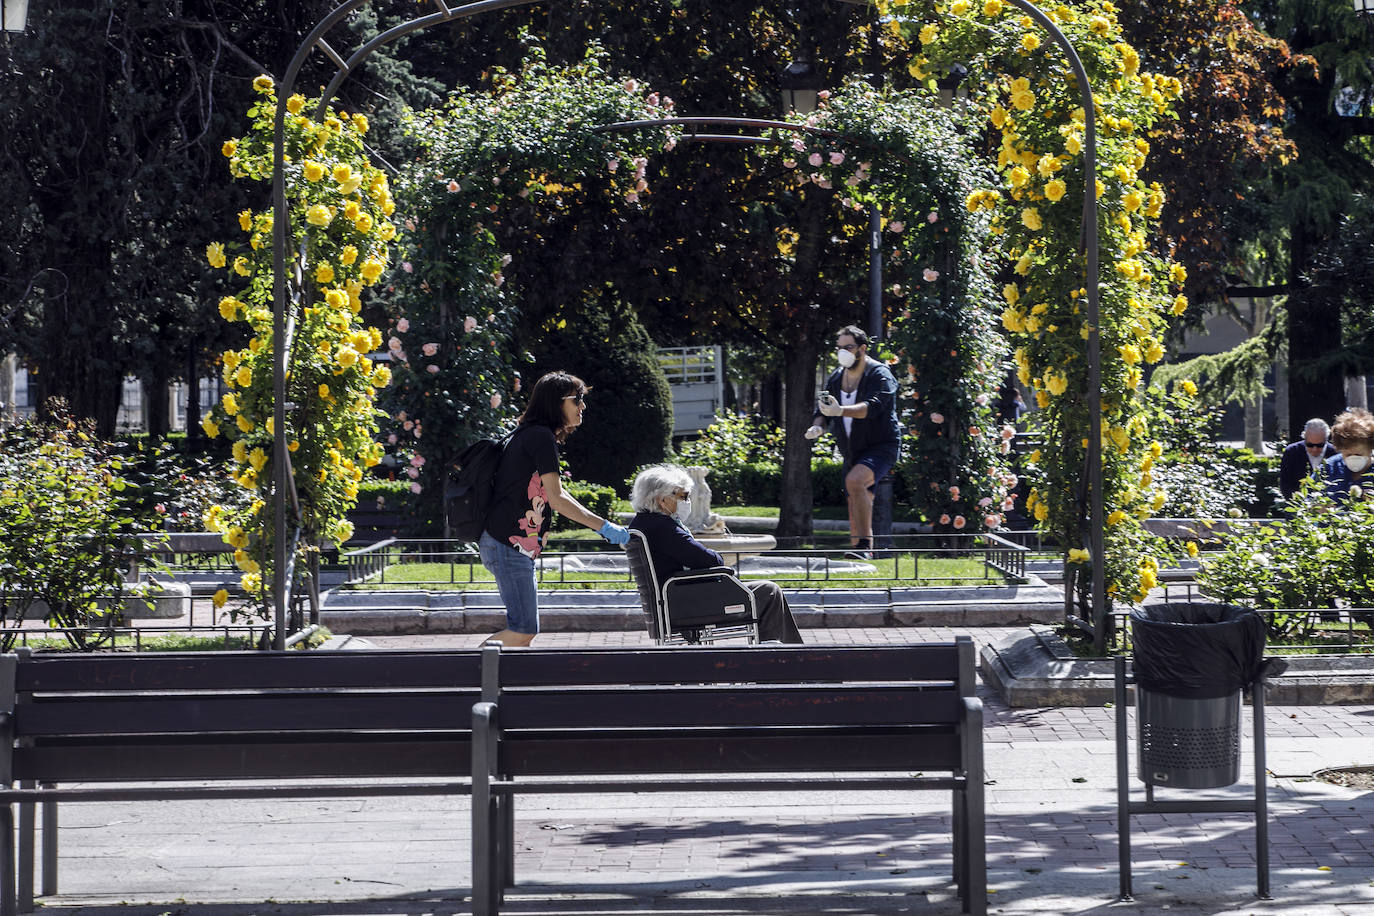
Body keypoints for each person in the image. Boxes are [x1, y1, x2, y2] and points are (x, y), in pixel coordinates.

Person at [479, 371, 630, 646]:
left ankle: (502, 686)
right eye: (577, 399)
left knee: (522, 636)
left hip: (510, 545)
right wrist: (604, 528)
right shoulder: (540, 437)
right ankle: (463, 678)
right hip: (507, 545)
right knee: (523, 629)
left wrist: (604, 526)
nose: (583, 406)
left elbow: (555, 494)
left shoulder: (532, 434)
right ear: (555, 403)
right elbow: (557, 500)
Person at [629, 464, 804, 644]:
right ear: (662, 500)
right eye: (684, 496)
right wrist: (713, 554)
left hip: (674, 601)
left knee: (765, 590)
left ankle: (784, 652)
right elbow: (711, 561)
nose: (687, 501)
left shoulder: (641, 524)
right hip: (689, 604)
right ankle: (784, 655)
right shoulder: (664, 527)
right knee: (769, 591)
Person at [806, 325, 902, 560]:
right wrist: (818, 424)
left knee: (855, 481)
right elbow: (825, 406)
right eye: (839, 348)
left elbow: (873, 407)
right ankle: (858, 554)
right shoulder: (837, 376)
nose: (843, 353)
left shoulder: (880, 374)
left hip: (881, 446)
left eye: (848, 347)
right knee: (856, 496)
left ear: (862, 348)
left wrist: (841, 411)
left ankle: (864, 545)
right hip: (852, 449)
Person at [1279, 418, 1337, 500]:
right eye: (1310, 445)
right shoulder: (1292, 452)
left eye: (1320, 445)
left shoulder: (1335, 454)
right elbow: (1285, 483)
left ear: (1326, 440)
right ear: (1304, 438)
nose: (1315, 449)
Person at [1324, 408, 1374, 500]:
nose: (1353, 459)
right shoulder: (1328, 468)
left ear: (1370, 449)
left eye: (1358, 455)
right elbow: (1306, 501)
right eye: (1348, 455)